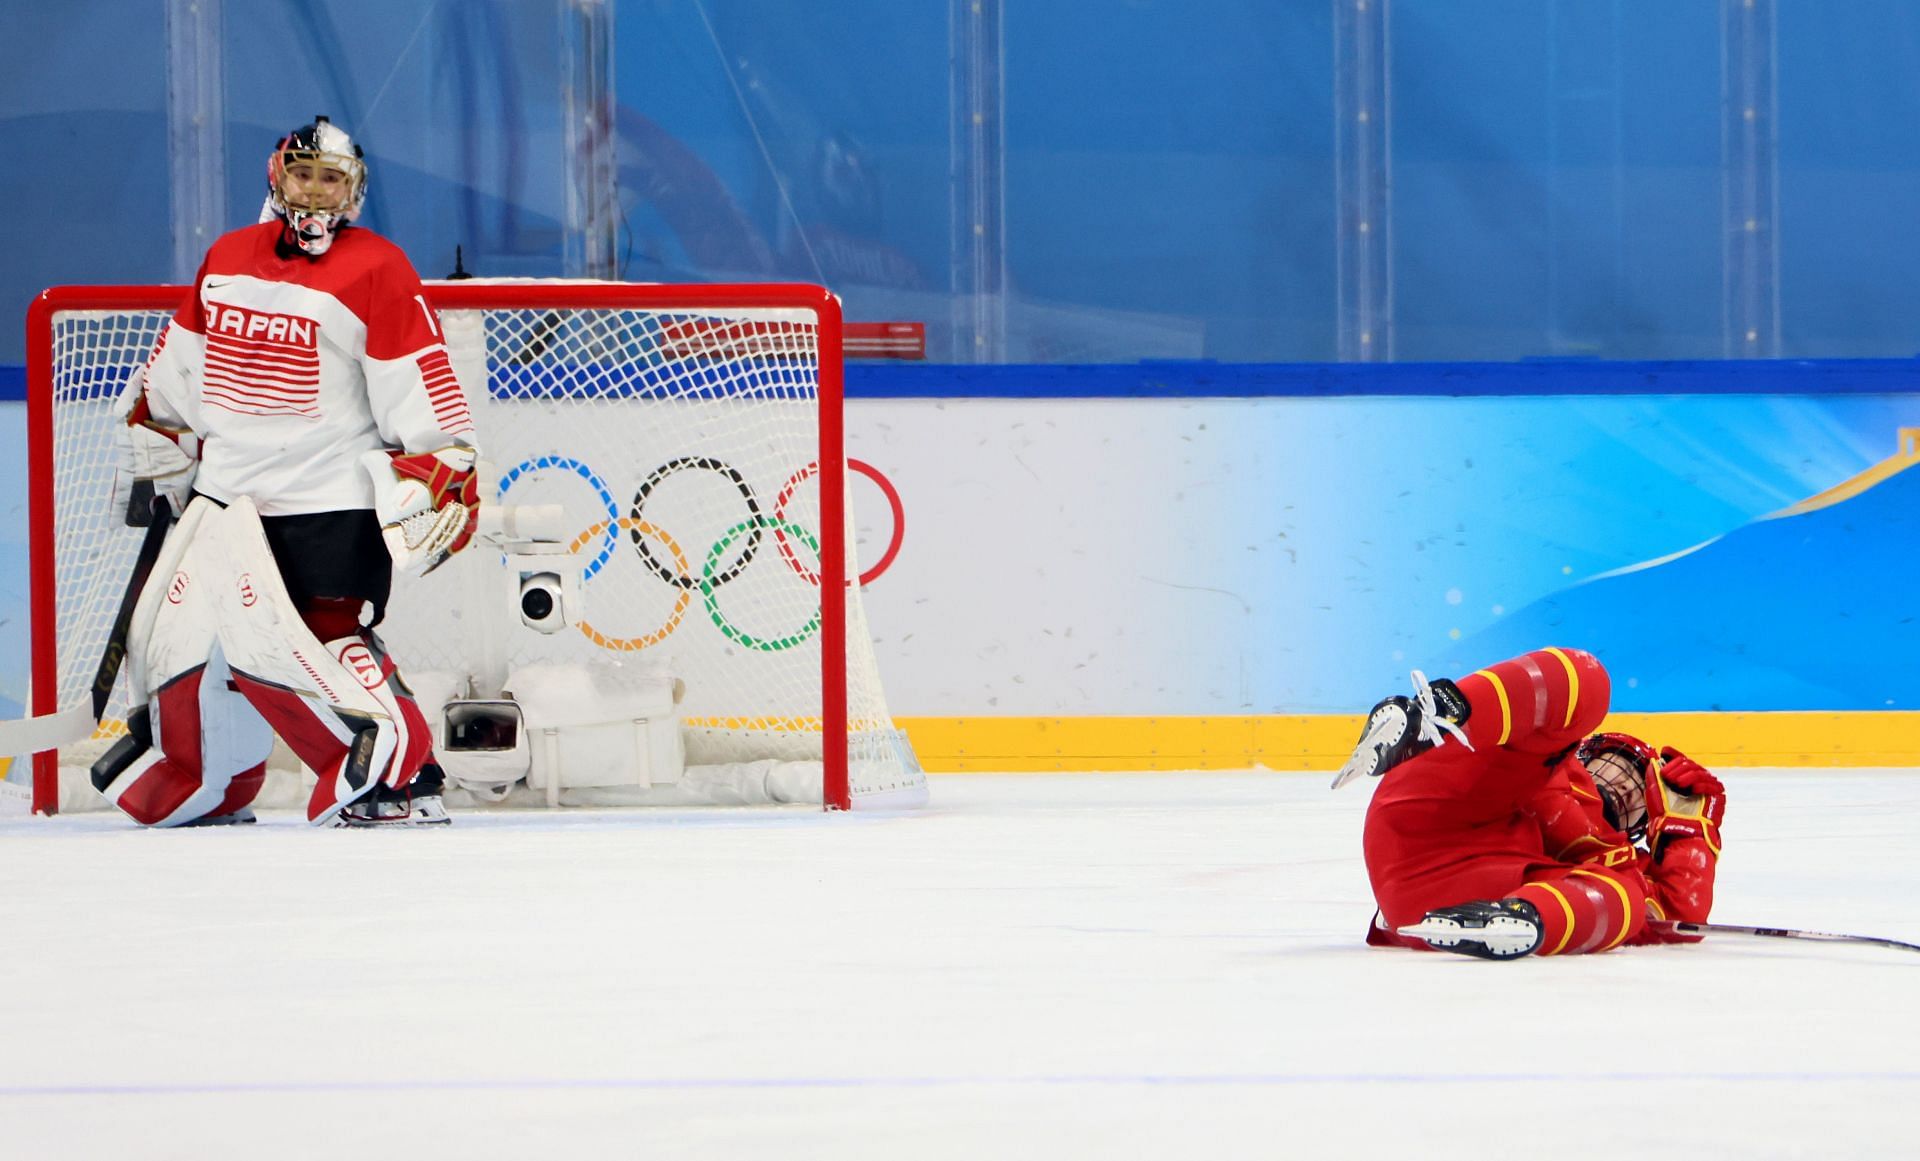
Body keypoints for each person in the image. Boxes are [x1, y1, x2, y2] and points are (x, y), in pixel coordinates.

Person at [94, 114, 480, 828]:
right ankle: (203, 780)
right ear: (277, 175)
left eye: (331, 179)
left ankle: (400, 773)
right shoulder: (227, 256)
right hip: (224, 502)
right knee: (178, 647)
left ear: (353, 191)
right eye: (303, 174)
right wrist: (153, 428)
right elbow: (179, 368)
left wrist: (440, 466)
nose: (314, 191)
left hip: (325, 505)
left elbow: (420, 387)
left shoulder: (377, 267)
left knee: (312, 647)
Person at [1333, 647, 1726, 959]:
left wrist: (1688, 830)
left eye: (1642, 796)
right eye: (1625, 768)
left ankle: (1519, 921)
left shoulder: (1616, 860)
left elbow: (1678, 920)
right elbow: (1551, 704)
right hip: (1434, 808)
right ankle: (1427, 717)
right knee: (1589, 680)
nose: (1628, 789)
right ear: (1590, 753)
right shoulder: (1547, 762)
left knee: (1626, 902)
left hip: (1447, 902)